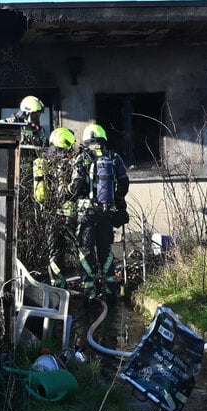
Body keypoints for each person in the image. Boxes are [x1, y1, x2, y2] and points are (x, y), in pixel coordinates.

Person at [70, 123, 130, 299]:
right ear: (103, 138)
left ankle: (90, 292)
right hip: (106, 212)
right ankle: (111, 289)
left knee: (86, 250)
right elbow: (124, 183)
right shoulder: (113, 157)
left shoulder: (82, 157)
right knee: (105, 249)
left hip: (86, 214)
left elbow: (76, 185)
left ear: (87, 139)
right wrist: (118, 202)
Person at [33, 127, 79, 287]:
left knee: (54, 253)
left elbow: (40, 194)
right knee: (79, 249)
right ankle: (87, 285)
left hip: (49, 214)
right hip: (69, 214)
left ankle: (58, 287)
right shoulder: (70, 162)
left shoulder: (44, 161)